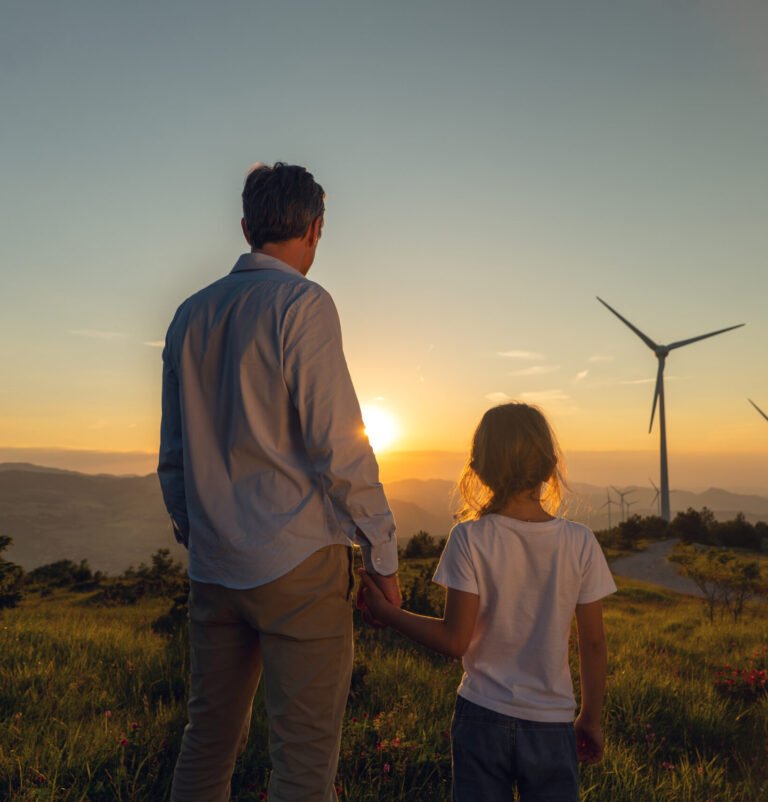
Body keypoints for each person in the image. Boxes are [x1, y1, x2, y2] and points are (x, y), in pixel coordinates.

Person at [158, 162, 401, 802]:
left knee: (206, 743)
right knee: (303, 762)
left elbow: (173, 456)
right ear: (316, 228)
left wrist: (198, 533)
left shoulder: (189, 315)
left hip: (214, 567)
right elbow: (340, 446)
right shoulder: (303, 304)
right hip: (298, 563)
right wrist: (381, 552)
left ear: (246, 227)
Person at [360, 402, 616, 802]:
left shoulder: (469, 537)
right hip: (551, 724)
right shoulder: (580, 542)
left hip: (482, 717)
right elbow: (594, 642)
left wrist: (388, 613)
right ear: (550, 467)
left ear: (478, 469)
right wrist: (590, 718)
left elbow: (454, 641)